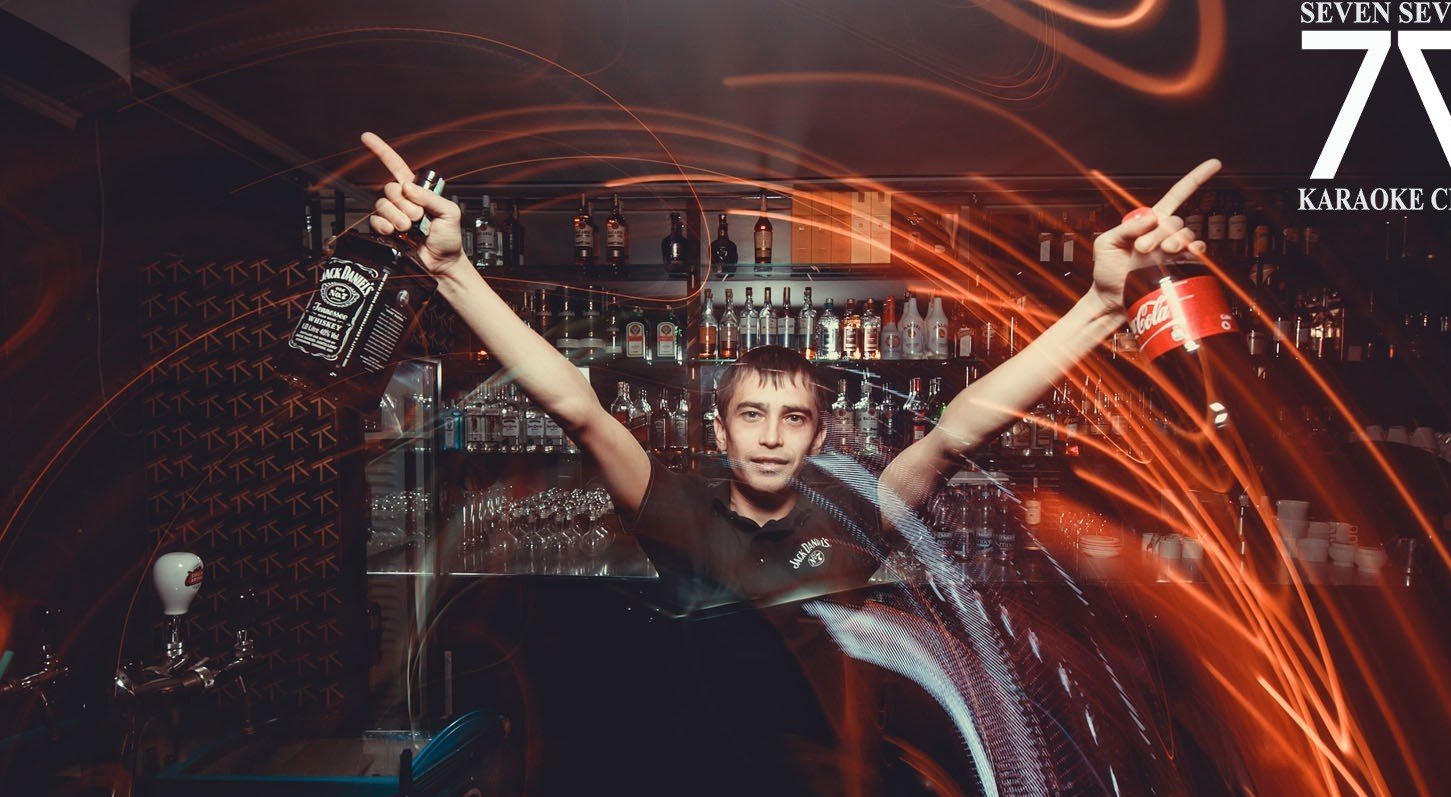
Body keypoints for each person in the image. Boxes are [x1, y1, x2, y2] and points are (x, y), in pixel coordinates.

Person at [358, 132, 1219, 609]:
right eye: (752, 414)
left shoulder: (854, 517)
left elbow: (958, 430)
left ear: (819, 433)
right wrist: (453, 272)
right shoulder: (678, 512)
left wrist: (1100, 308)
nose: (771, 437)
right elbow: (576, 407)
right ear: (720, 428)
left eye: (793, 417)